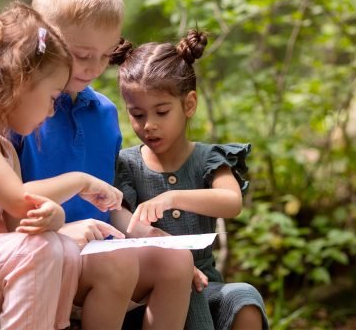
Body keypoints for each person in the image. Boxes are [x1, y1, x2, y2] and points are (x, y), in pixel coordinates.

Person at [14, 0, 194, 329]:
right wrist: (60, 232)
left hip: (101, 248)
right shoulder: (20, 110)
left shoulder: (104, 113)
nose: (95, 68)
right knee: (118, 263)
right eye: (82, 55)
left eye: (106, 55)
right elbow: (2, 210)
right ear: (42, 38)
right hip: (45, 250)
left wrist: (140, 230)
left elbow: (104, 205)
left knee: (177, 260)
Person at [0, 1, 121, 329]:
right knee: (40, 250)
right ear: (19, 82)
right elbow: (18, 198)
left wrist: (55, 216)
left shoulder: (4, 149)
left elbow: (19, 222)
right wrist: (79, 180)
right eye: (51, 97)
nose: (50, 112)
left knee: (61, 246)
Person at [111, 29, 270, 330]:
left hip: (208, 284)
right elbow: (120, 219)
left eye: (161, 112)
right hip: (151, 294)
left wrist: (172, 197)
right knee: (181, 276)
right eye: (138, 115)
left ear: (189, 105)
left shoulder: (208, 159)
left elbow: (231, 201)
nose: (149, 126)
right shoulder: (127, 165)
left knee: (244, 298)